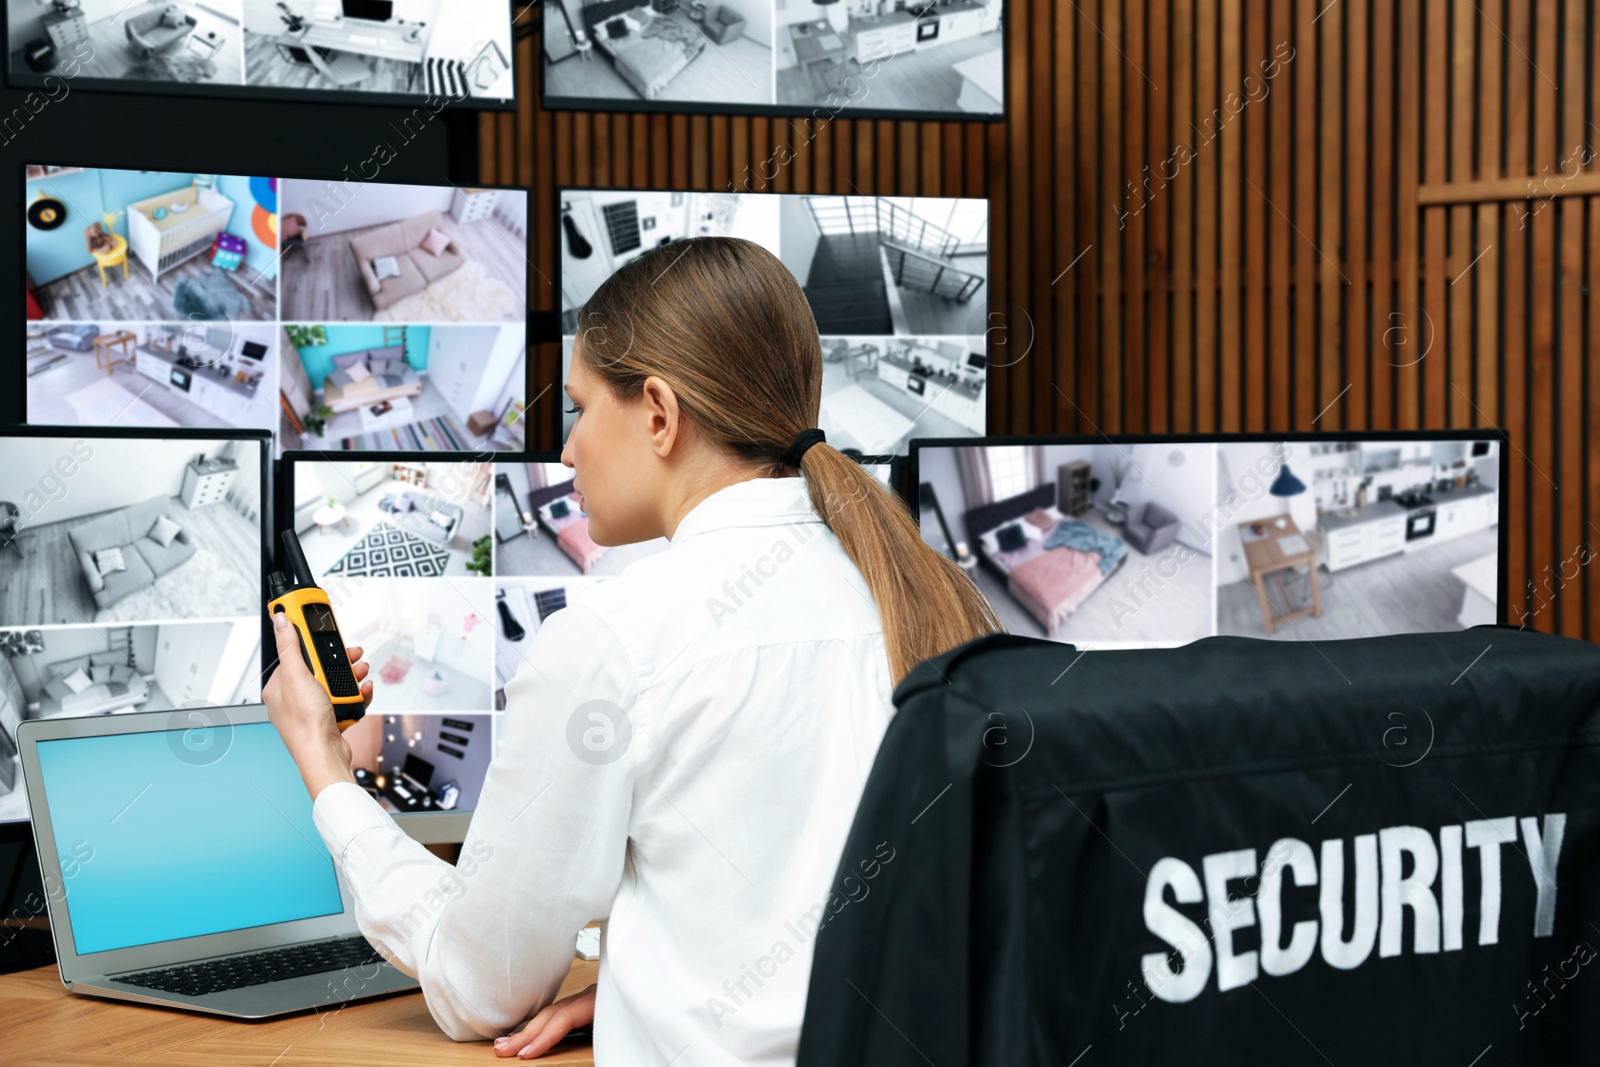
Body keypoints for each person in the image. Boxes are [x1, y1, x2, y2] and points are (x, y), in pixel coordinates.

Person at [264, 236, 1001, 1063]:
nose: (568, 448)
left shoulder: (612, 642)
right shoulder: (935, 597)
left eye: (580, 407)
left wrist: (325, 768)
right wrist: (636, 978)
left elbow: (479, 984)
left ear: (658, 412)